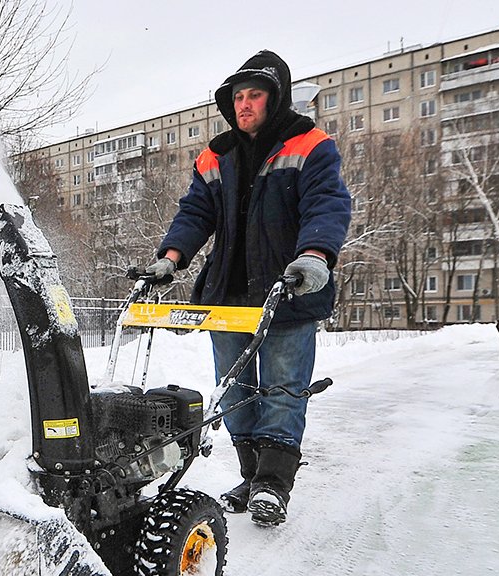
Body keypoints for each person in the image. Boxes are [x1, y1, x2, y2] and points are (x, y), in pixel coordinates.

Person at [144, 50, 352, 527]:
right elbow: (196, 212)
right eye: (237, 96)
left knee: (281, 389)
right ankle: (250, 475)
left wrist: (315, 255)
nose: (244, 104)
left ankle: (273, 486)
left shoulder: (310, 145)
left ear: (275, 97)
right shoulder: (217, 155)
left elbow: (327, 205)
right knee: (236, 389)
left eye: (254, 95)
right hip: (228, 295)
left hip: (289, 290)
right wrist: (169, 258)